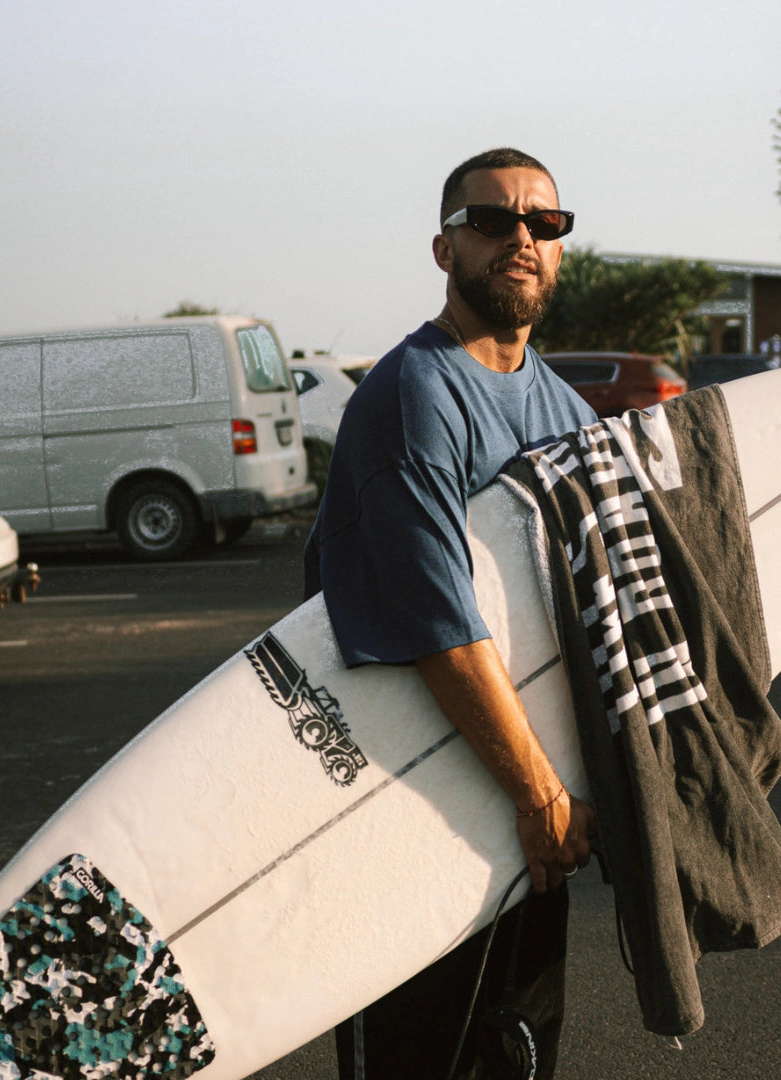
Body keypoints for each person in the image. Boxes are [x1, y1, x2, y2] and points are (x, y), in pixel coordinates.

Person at [303, 147, 597, 1080]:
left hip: (521, 799)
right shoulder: (412, 394)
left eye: (543, 224)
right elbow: (442, 627)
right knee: (415, 1061)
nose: (521, 238)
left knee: (513, 1057)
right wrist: (542, 797)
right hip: (411, 801)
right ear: (444, 247)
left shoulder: (567, 410)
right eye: (493, 220)